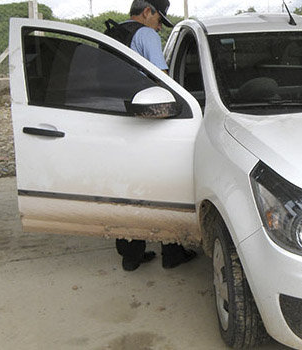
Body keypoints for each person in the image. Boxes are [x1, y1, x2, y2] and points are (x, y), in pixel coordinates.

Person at [106, 0, 196, 271]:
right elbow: (164, 79)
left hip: (117, 119)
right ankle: (172, 252)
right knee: (162, 186)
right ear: (148, 11)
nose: (159, 28)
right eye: (159, 21)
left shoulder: (114, 33)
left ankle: (131, 255)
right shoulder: (145, 34)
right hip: (147, 120)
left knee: (127, 190)